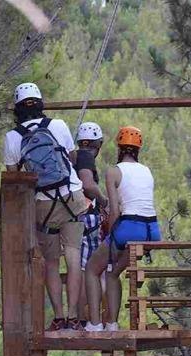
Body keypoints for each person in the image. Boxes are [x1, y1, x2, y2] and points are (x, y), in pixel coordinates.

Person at [4, 82, 89, 331]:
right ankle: (74, 316)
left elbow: (14, 177)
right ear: (40, 103)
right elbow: (72, 159)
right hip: (72, 197)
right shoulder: (58, 126)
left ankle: (59, 317)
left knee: (51, 262)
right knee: (73, 257)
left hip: (43, 204)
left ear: (17, 109)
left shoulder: (12, 138)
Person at [84, 126, 160, 332]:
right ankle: (112, 323)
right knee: (112, 272)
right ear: (138, 149)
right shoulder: (147, 171)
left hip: (129, 227)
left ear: (119, 147)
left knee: (92, 269)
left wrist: (109, 233)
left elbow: (115, 210)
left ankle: (94, 323)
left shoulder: (113, 171)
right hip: (152, 230)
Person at [73, 121, 109, 325]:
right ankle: (91, 318)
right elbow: (88, 184)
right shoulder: (86, 157)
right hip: (88, 218)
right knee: (93, 271)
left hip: (73, 218)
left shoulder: (72, 158)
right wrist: (105, 201)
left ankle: (79, 317)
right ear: (99, 145)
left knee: (80, 270)